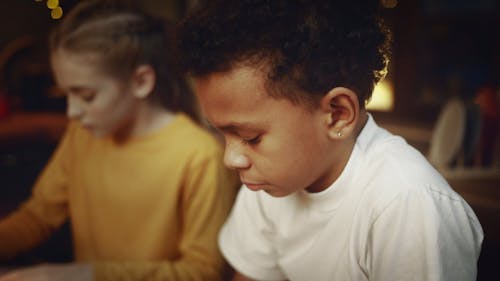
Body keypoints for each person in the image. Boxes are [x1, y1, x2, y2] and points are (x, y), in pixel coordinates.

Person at [178, 0, 484, 280]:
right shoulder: (269, 181)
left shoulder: (408, 206)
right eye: (222, 133)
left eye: (250, 137)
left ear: (337, 115)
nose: (231, 158)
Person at [0, 1, 238, 280]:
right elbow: (38, 217)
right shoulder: (83, 135)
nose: (72, 112)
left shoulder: (199, 156)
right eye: (66, 95)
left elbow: (202, 272)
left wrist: (80, 275)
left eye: (86, 96)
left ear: (141, 82)